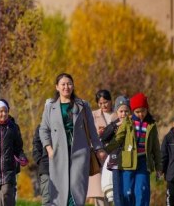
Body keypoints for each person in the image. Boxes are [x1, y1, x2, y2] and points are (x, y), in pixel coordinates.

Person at [40, 73, 106, 206]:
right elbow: (43, 130)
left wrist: (98, 148)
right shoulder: (50, 107)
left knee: (76, 189)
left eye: (69, 84)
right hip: (59, 154)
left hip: (79, 152)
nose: (66, 87)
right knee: (59, 190)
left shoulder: (82, 105)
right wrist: (49, 149)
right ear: (57, 87)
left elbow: (92, 130)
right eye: (63, 84)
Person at [104, 93, 162, 206]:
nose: (141, 114)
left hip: (143, 163)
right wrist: (105, 151)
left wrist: (159, 167)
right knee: (127, 193)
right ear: (133, 111)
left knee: (142, 191)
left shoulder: (151, 125)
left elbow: (155, 147)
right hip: (128, 163)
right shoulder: (128, 122)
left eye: (143, 111)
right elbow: (118, 139)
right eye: (137, 111)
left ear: (147, 110)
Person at [99, 96, 131, 206]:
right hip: (115, 162)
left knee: (127, 190)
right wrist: (114, 126)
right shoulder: (114, 125)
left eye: (126, 111)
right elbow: (103, 136)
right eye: (121, 111)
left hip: (129, 162)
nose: (124, 114)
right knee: (117, 191)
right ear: (116, 112)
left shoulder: (132, 125)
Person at [88, 90, 117, 206]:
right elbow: (90, 135)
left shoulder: (117, 114)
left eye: (105, 102)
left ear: (110, 101)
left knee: (112, 191)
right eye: (100, 103)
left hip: (114, 156)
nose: (103, 105)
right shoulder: (93, 115)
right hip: (98, 158)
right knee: (100, 194)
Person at [33, 124, 50, 206]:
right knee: (47, 199)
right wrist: (39, 160)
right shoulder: (41, 127)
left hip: (63, 167)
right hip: (46, 167)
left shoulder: (65, 125)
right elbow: (36, 143)